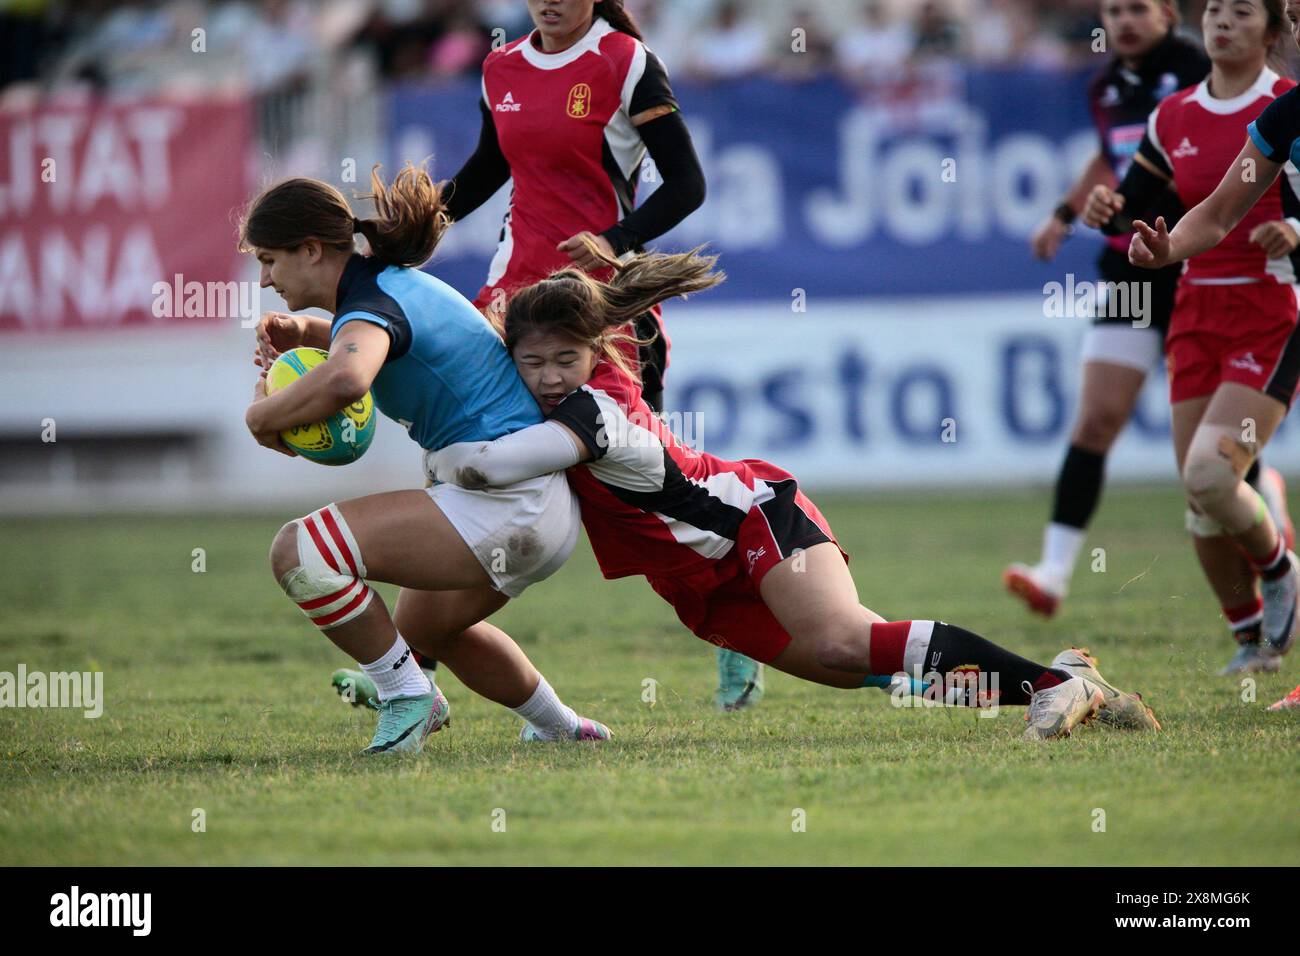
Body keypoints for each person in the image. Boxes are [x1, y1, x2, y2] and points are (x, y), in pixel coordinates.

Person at [423, 241, 1163, 741]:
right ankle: (1075, 683)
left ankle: (1047, 689)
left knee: (844, 639)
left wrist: (439, 444)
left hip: (753, 518)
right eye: (532, 361)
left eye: (566, 358)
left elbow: (488, 468)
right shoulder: (546, 396)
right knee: (856, 667)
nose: (550, 375)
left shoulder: (593, 411)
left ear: (597, 352)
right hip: (696, 581)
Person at [332, 0, 766, 712]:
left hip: (602, 311)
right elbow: (484, 173)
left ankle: (737, 628)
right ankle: (411, 671)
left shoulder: (627, 64)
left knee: (634, 496)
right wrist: (400, 235)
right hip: (510, 302)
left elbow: (687, 185)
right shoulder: (500, 66)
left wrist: (616, 240)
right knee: (468, 466)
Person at [242, 164, 610, 753]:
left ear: (310, 249)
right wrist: (305, 329)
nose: (264, 279)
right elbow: (370, 338)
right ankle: (562, 728)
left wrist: (261, 417)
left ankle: (407, 697)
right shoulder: (384, 289)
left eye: (269, 260)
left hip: (500, 500)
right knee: (427, 631)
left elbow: (347, 377)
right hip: (538, 507)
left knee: (297, 551)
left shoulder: (373, 302)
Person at [1006, 0, 1222, 616]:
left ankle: (1268, 537)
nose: (1124, 21)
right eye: (1115, 10)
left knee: (1212, 443)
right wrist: (1067, 212)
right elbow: (1111, 156)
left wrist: (1132, 198)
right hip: (1130, 268)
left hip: (1198, 267)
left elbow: (1213, 164)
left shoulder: (1198, 71)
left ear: (1168, 14)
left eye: (1138, 9)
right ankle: (1053, 571)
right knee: (1096, 419)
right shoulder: (1107, 85)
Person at [1124, 0, 1300, 673]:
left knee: (1209, 471)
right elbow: (1219, 212)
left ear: (1274, 32)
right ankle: (1253, 640)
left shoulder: (1279, 99)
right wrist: (1166, 252)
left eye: (1243, 11)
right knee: (1202, 496)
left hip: (1272, 311)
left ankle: (1281, 565)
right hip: (1198, 316)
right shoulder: (1277, 120)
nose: (1223, 22)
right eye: (1215, 10)